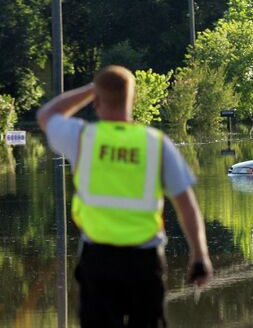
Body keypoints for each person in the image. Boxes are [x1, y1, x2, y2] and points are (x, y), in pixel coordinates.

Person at [37, 65, 213, 327]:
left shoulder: (82, 137)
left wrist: (91, 89)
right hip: (144, 262)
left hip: (97, 262)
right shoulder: (155, 143)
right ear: (133, 100)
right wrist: (200, 256)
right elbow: (186, 204)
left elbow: (46, 114)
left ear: (96, 101)